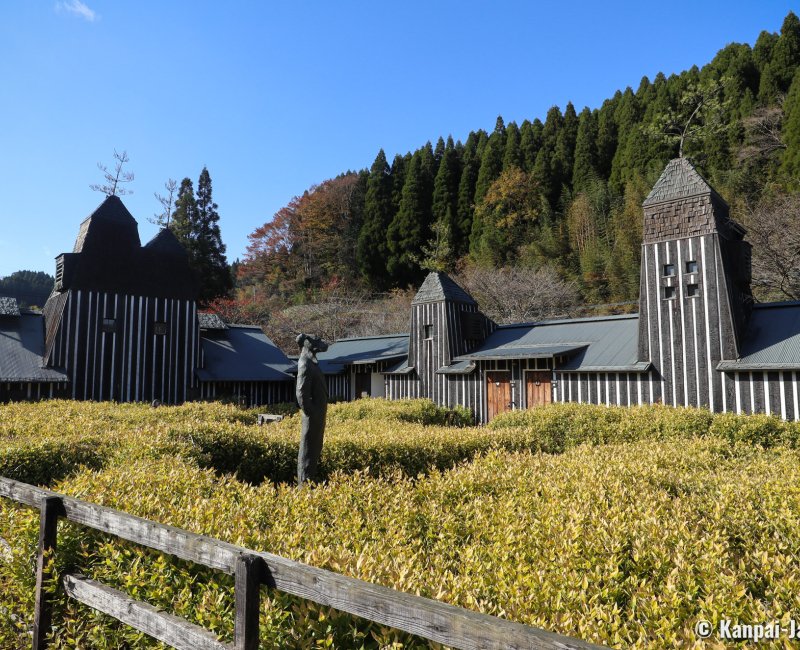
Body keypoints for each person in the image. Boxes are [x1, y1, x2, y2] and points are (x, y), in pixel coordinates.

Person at [295, 333, 329, 484]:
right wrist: (311, 412)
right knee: (308, 451)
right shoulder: (305, 363)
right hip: (313, 416)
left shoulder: (312, 362)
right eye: (315, 341)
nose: (319, 343)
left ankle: (310, 482)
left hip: (318, 416)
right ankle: (305, 485)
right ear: (306, 343)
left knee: (314, 450)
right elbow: (301, 393)